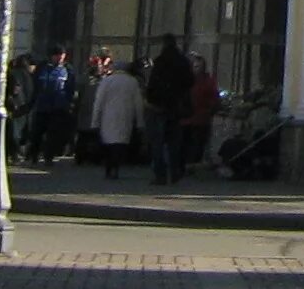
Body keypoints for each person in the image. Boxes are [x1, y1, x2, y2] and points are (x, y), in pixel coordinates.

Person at [143, 33, 193, 184]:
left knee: (158, 142)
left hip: (160, 106)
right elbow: (190, 81)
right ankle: (175, 172)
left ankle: (160, 174)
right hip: (176, 107)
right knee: (174, 143)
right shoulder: (183, 62)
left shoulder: (160, 62)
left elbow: (152, 85)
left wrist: (151, 100)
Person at [91, 53, 145, 180]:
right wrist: (140, 122)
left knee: (108, 143)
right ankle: (116, 167)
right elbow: (138, 103)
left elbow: (98, 102)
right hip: (125, 117)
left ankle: (108, 167)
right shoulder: (132, 82)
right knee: (120, 144)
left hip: (107, 117)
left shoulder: (106, 81)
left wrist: (95, 122)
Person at [30, 48, 77, 164]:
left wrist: (68, 101)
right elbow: (35, 85)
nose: (60, 58)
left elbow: (71, 87)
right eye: (58, 56)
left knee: (54, 133)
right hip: (42, 104)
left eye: (62, 56)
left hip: (59, 106)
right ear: (52, 56)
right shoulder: (42, 68)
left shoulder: (68, 69)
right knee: (37, 132)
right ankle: (33, 154)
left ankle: (48, 156)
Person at [185, 54, 219, 169]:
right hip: (191, 118)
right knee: (192, 142)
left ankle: (192, 163)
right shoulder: (191, 81)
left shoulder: (207, 81)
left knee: (197, 142)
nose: (196, 68)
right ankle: (190, 163)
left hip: (199, 118)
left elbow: (213, 98)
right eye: (195, 66)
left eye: (198, 66)